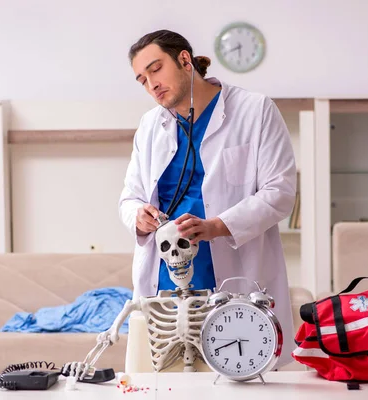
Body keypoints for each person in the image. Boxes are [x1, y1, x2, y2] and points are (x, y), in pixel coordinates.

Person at [118, 30, 298, 368]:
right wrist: (137, 215)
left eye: (156, 69)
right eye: (142, 79)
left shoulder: (254, 110)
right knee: (163, 383)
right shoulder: (149, 125)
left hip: (233, 275)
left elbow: (280, 191)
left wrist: (218, 226)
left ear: (185, 60)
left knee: (240, 381)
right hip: (165, 283)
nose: (151, 84)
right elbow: (129, 196)